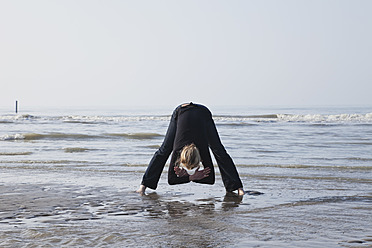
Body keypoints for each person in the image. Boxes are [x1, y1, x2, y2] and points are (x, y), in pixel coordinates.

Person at [137, 102, 245, 195]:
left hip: (203, 113)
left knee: (219, 151)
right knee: (164, 150)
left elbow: (211, 179)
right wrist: (191, 177)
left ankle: (238, 187)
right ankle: (143, 186)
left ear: (199, 158)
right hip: (181, 111)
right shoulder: (177, 150)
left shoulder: (203, 149)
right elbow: (171, 180)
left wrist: (188, 176)